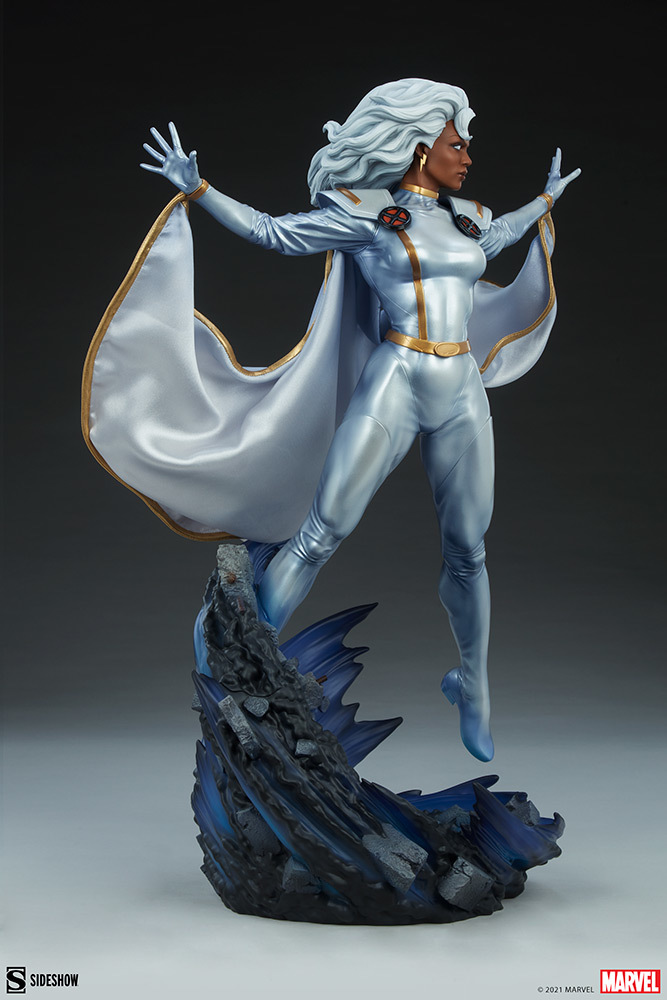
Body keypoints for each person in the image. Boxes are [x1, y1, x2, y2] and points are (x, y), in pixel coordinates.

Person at [87, 79, 579, 763]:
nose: (467, 158)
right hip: (398, 379)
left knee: (468, 549)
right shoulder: (364, 216)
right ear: (420, 148)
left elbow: (499, 236)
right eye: (457, 144)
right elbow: (273, 232)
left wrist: (545, 202)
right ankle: (241, 661)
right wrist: (200, 191)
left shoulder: (469, 217)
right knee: (321, 532)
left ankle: (472, 684)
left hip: (461, 387)